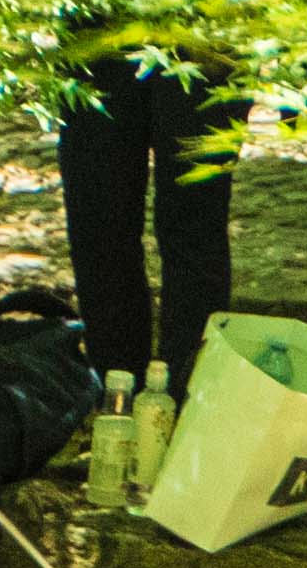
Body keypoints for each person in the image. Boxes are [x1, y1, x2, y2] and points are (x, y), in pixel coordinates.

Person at [58, 31, 247, 398]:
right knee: (98, 223)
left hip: (206, 34)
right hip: (100, 32)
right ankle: (116, 394)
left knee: (195, 229)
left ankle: (187, 396)